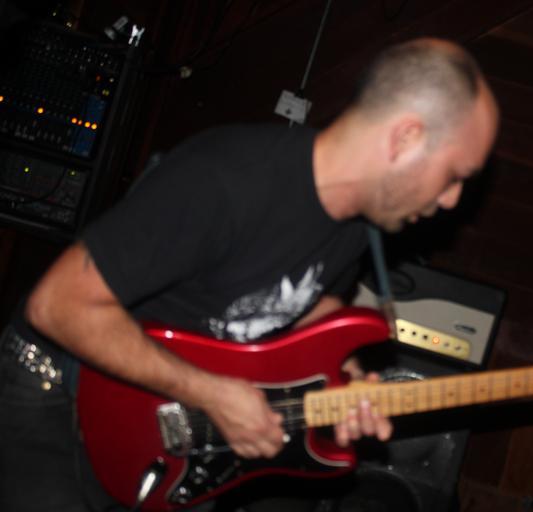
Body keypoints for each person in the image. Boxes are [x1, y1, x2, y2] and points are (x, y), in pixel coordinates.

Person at [0, 37, 499, 511]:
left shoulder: (357, 226)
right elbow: (56, 306)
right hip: (55, 394)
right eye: (454, 175)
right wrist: (211, 393)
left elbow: (304, 311)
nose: (453, 199)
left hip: (176, 426)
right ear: (406, 137)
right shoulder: (225, 179)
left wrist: (344, 383)